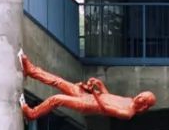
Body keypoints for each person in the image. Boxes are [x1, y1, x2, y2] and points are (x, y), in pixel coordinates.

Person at [18, 50, 157, 122]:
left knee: (57, 99)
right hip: (87, 96)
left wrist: (94, 93)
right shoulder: (129, 100)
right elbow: (108, 98)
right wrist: (99, 85)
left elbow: (105, 108)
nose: (138, 96)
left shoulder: (128, 113)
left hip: (86, 104)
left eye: (141, 98)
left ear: (144, 106)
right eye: (141, 94)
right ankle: (31, 71)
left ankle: (32, 114)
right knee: (59, 81)